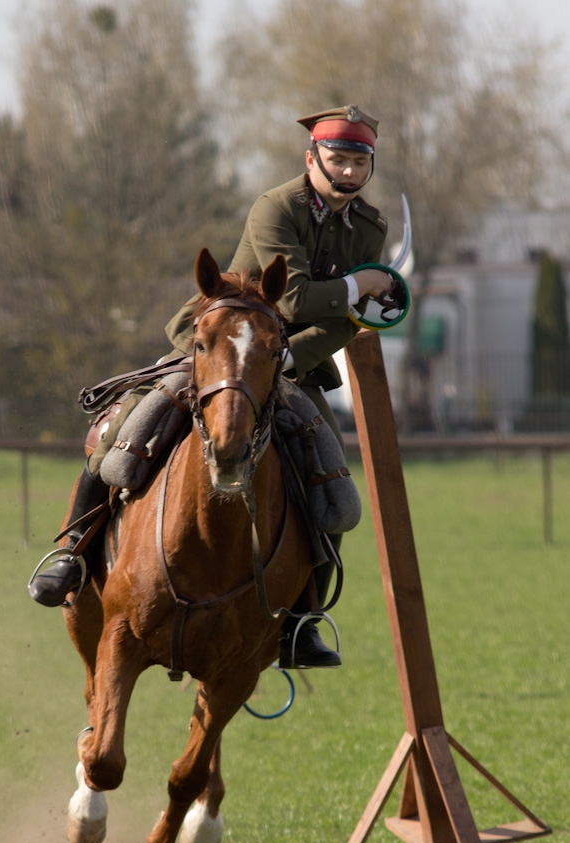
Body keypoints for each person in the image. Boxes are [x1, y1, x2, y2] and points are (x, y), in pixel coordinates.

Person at [29, 103, 393, 670]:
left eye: (357, 162)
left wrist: (294, 352)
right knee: (132, 421)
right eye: (337, 158)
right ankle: (71, 552)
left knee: (327, 474)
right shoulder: (276, 206)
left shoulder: (371, 227)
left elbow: (350, 318)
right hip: (220, 344)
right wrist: (361, 282)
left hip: (289, 361)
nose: (347, 171)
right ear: (312, 157)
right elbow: (292, 297)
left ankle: (301, 621)